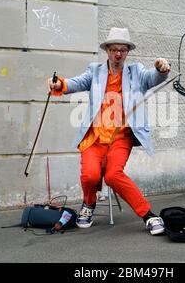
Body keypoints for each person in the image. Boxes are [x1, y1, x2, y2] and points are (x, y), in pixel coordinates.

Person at [46, 27, 171, 235]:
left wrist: (161, 69)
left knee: (113, 175)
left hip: (120, 138)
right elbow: (75, 83)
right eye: (114, 49)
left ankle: (149, 215)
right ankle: (88, 204)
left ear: (127, 52)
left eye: (122, 50)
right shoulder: (95, 71)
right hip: (94, 138)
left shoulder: (137, 72)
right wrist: (59, 83)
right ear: (107, 51)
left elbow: (154, 78)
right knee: (89, 176)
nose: (118, 54)